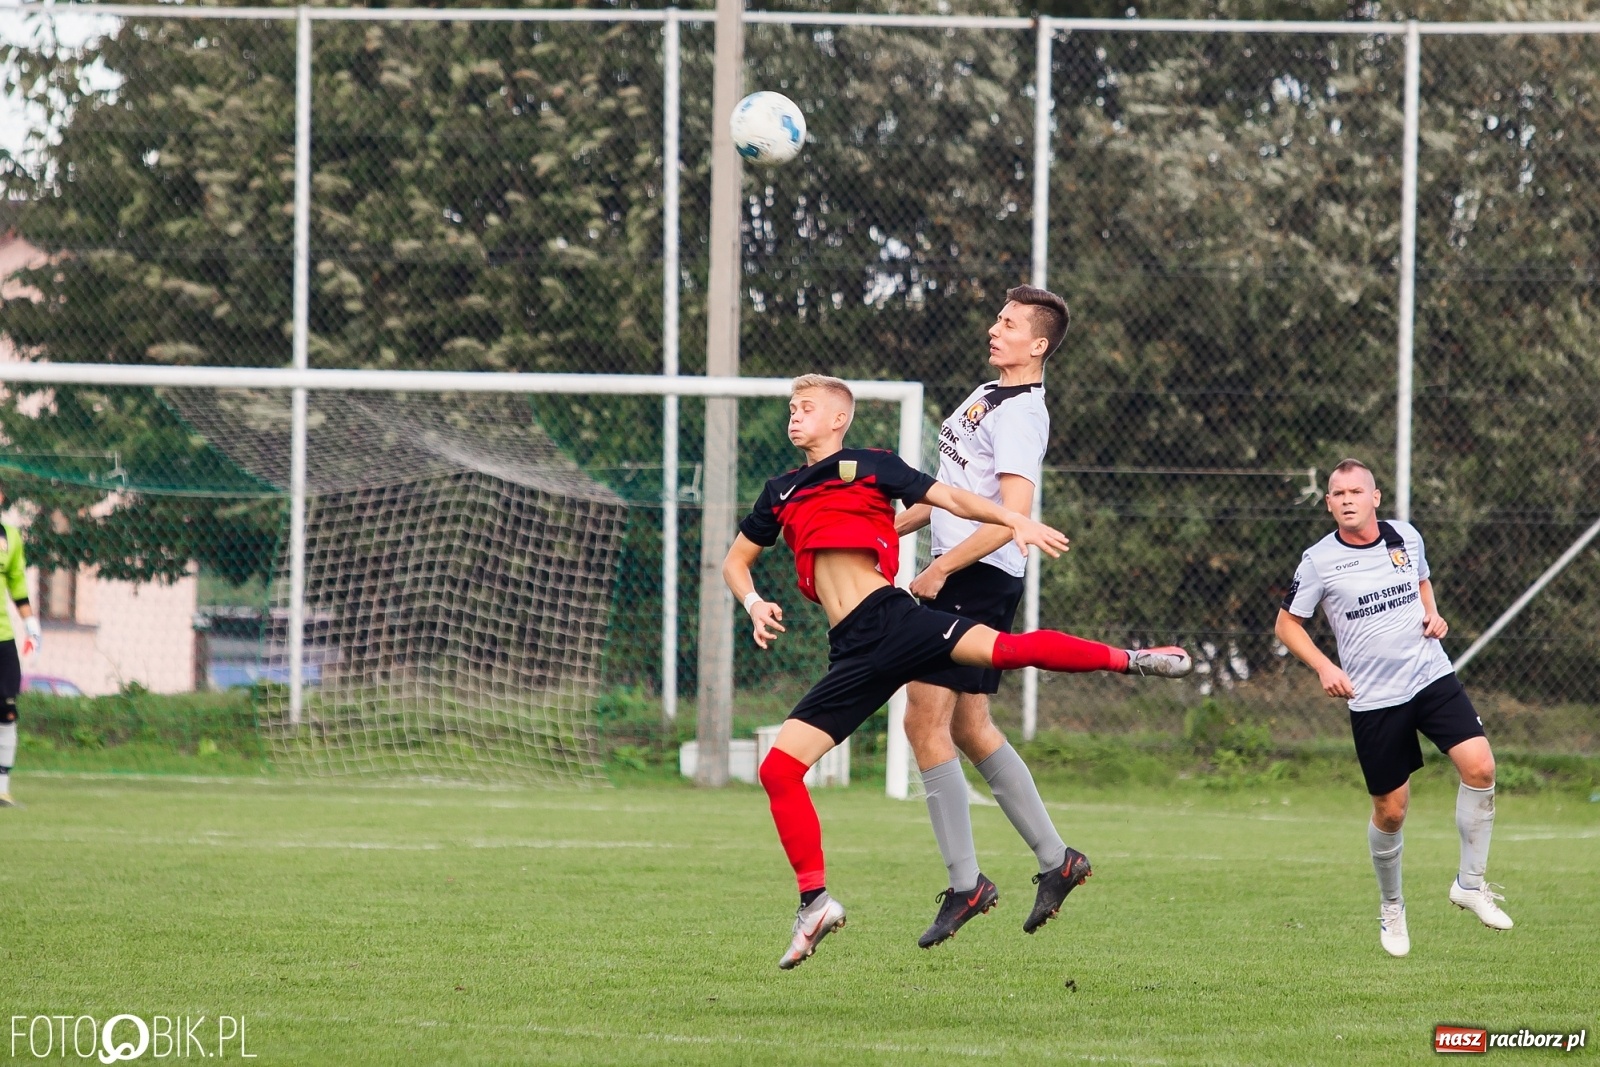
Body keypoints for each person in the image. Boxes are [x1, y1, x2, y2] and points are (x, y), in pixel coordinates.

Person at [723, 375, 1192, 970]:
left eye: (806, 408)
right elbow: (737, 560)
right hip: (851, 650)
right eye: (791, 408)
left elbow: (949, 497)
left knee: (1003, 652)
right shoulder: (780, 490)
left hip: (893, 621)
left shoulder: (870, 464)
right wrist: (753, 602)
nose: (795, 417)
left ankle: (1133, 660)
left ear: (839, 418)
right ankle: (814, 902)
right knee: (780, 768)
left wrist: (1012, 521)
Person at [892, 285, 1094, 948]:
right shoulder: (988, 392)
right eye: (997, 319)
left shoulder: (1021, 416)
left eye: (1008, 323)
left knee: (923, 721)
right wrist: (891, 527)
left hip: (974, 578)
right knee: (971, 726)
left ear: (1037, 344)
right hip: (967, 575)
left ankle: (966, 884)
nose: (994, 328)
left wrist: (942, 568)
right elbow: (951, 492)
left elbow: (1013, 518)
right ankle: (1056, 858)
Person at [1275, 459, 1511, 958]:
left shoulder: (1405, 536)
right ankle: (1392, 905)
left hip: (1430, 675)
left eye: (1355, 491)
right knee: (1391, 811)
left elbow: (1422, 582)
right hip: (1374, 698)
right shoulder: (1318, 560)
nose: (1346, 500)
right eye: (1337, 494)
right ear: (1329, 504)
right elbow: (1287, 626)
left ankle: (1470, 884)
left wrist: (1433, 612)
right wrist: (1323, 666)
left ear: (1375, 497)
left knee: (1481, 767)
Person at [0, 487, 42, 808]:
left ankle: (1, 788)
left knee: (7, 709)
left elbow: (16, 582)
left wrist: (30, 623)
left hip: (2, 637)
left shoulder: (10, 537)